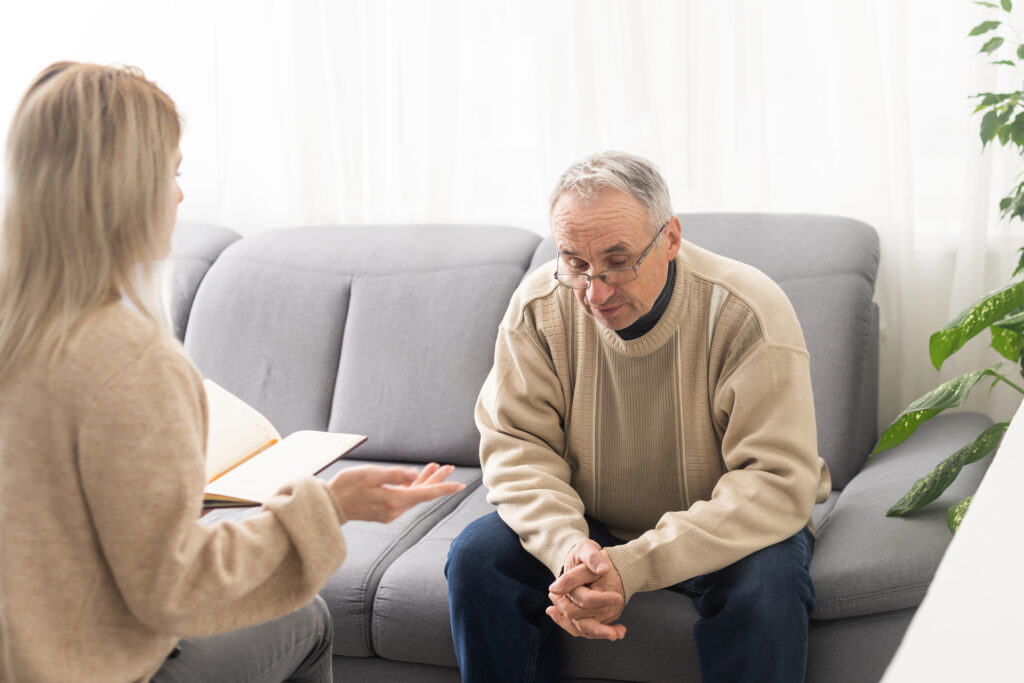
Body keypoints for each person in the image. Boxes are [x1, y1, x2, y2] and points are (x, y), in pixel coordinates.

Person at [0, 62, 465, 683]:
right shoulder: (129, 362)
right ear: (125, 189)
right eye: (172, 173)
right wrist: (330, 505)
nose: (180, 197)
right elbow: (179, 588)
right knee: (308, 618)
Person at [445, 151, 831, 682]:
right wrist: (568, 548)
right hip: (591, 524)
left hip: (726, 529)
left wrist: (634, 565)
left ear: (670, 239)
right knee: (477, 557)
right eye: (575, 263)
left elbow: (775, 482)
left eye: (617, 261)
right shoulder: (539, 305)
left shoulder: (747, 310)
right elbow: (516, 447)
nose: (595, 292)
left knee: (768, 589)